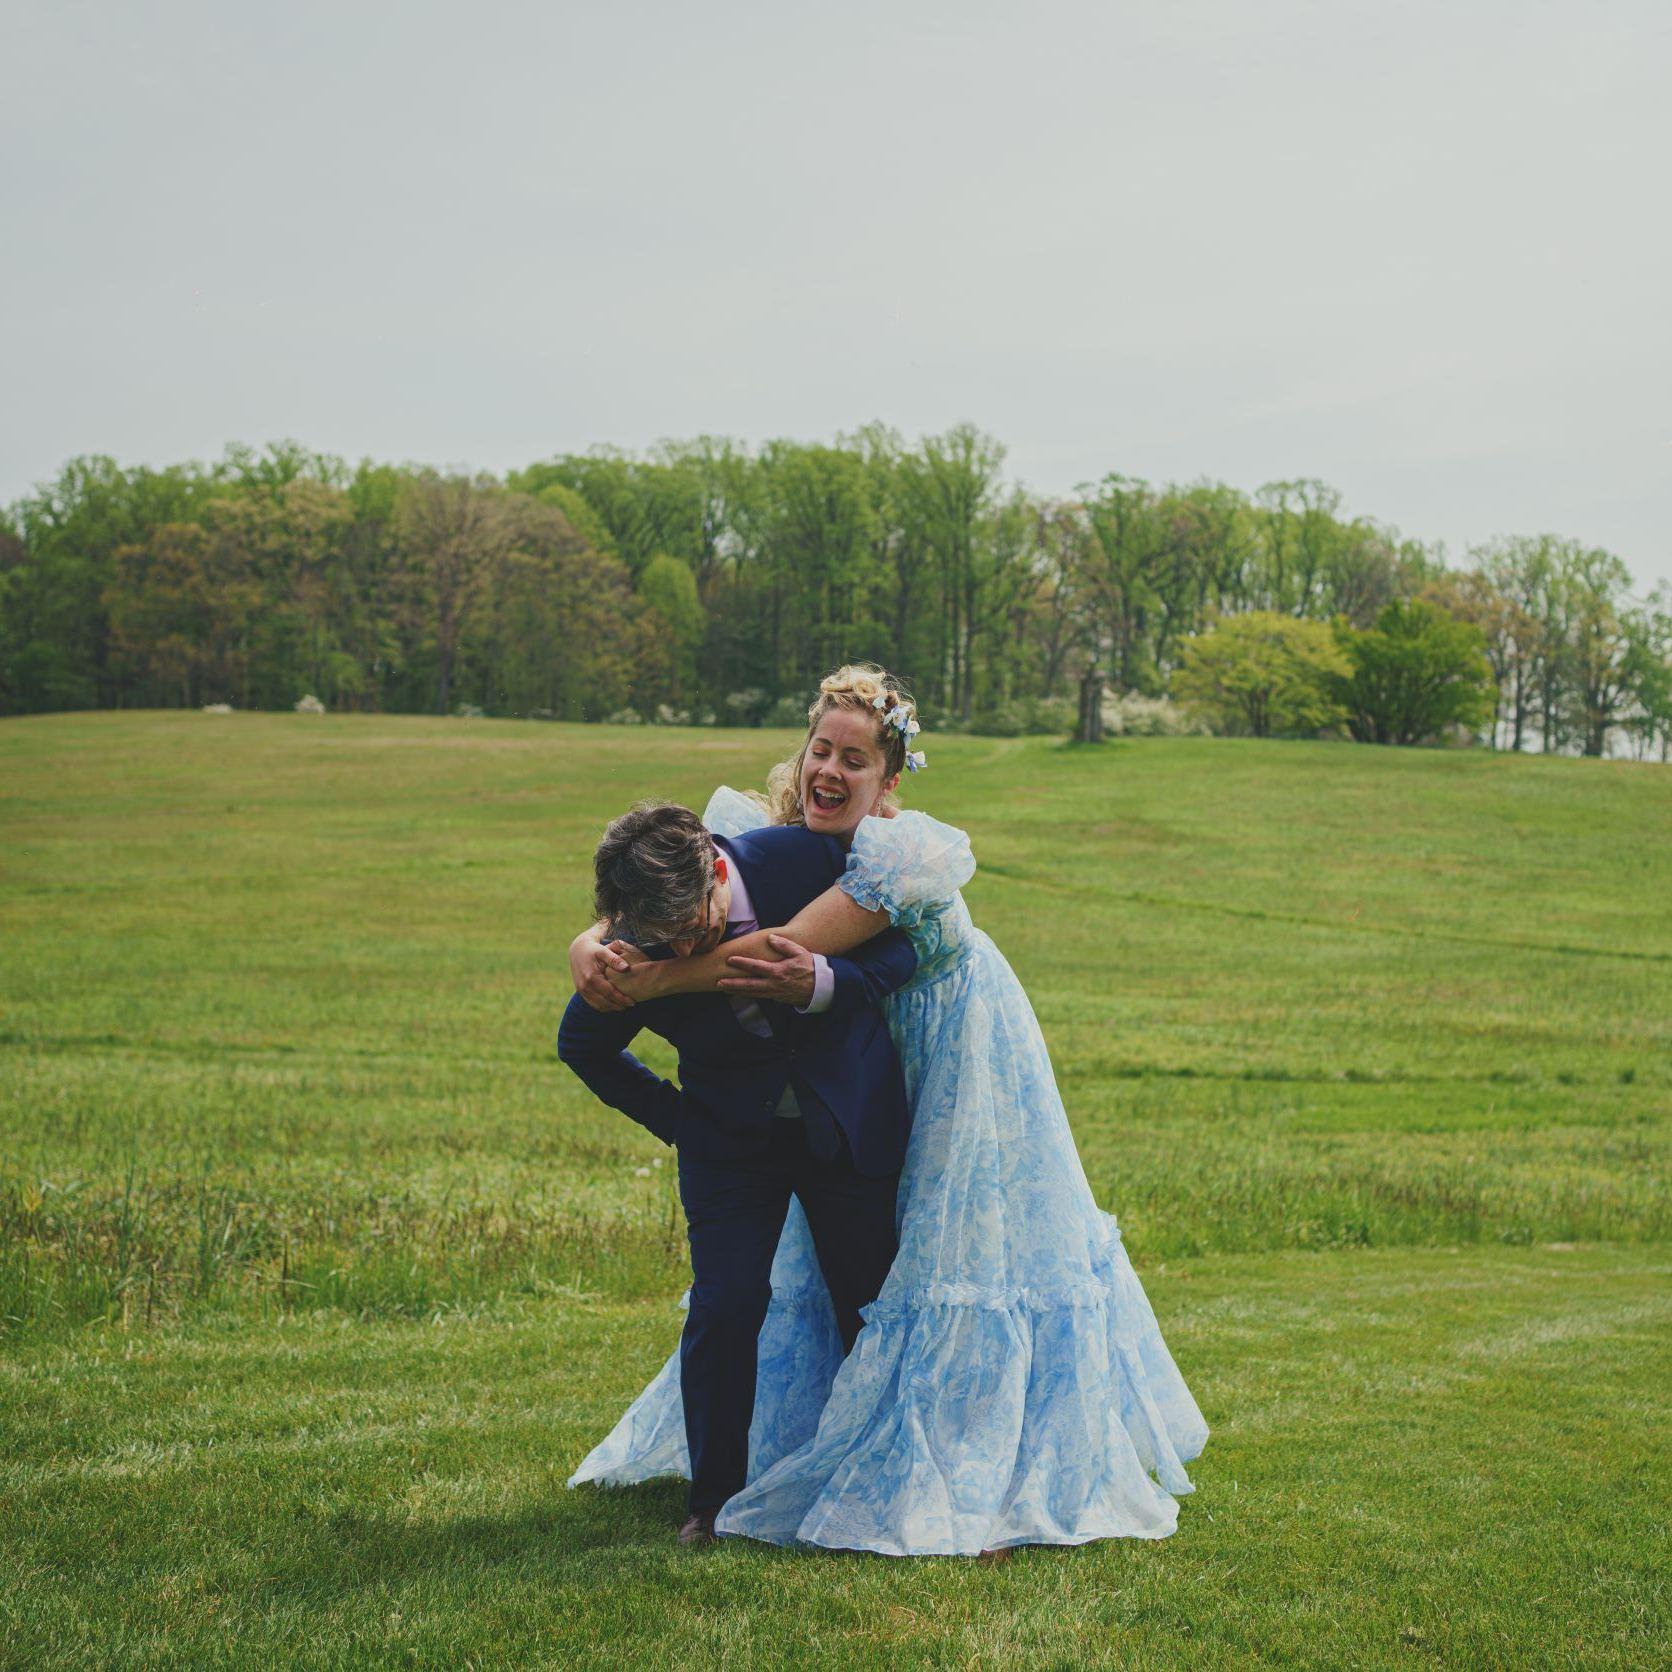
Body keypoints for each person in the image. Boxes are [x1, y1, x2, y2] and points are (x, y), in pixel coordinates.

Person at [568, 664, 1208, 1556]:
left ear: (890, 777)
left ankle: (943, 1473)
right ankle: (719, 1496)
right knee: (735, 1300)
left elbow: (879, 950)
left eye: (856, 758)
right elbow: (624, 956)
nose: (831, 769)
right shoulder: (744, 853)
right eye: (820, 749)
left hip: (917, 1070)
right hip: (752, 1121)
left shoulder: (886, 858)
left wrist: (799, 981)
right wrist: (601, 958)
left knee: (913, 1284)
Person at [556, 799, 919, 1546]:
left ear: (718, 870)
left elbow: (907, 948)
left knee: (869, 1305)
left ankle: (879, 1480)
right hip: (727, 1143)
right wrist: (680, 1123)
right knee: (723, 1308)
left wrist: (823, 980)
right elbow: (582, 1045)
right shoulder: (630, 947)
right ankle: (713, 1500)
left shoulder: (803, 862)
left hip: (846, 1118)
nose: (687, 946)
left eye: (697, 924)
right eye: (668, 940)